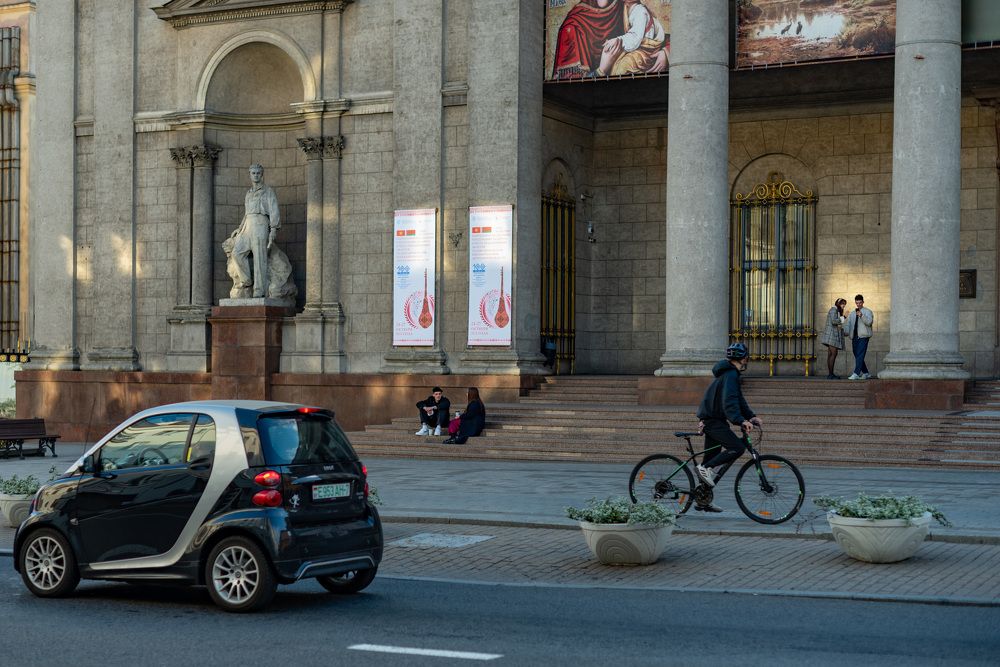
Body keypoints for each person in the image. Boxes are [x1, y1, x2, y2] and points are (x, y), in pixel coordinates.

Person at [693, 342, 763, 512]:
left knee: (711, 458)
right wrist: (740, 420)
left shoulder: (729, 374)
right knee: (737, 448)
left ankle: (703, 500)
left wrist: (750, 416)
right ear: (745, 358)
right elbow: (729, 402)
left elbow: (738, 399)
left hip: (713, 420)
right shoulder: (731, 374)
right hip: (713, 422)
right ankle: (705, 469)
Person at [225, 164, 281, 298]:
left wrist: (273, 229)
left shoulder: (268, 191)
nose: (255, 175)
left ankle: (259, 290)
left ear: (262, 175)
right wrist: (239, 229)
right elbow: (246, 213)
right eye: (253, 173)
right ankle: (247, 281)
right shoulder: (248, 193)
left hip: (261, 223)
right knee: (237, 252)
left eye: (258, 173)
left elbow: (274, 210)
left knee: (259, 257)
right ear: (250, 175)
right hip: (248, 225)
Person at [597, 0, 669, 76]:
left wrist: (618, 40)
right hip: (638, 47)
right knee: (617, 65)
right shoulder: (627, 7)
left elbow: (635, 37)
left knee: (623, 67)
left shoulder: (640, 10)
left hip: (646, 50)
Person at [844, 294, 874, 380]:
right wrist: (844, 332)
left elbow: (869, 322)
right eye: (857, 303)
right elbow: (849, 325)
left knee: (860, 355)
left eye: (860, 303)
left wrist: (861, 316)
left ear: (863, 302)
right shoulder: (853, 314)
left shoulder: (868, 311)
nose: (858, 305)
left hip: (863, 337)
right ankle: (866, 373)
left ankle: (856, 373)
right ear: (855, 303)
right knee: (857, 355)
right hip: (854, 337)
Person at [819, 298, 847, 379]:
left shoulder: (836, 311)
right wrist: (844, 317)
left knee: (831, 354)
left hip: (832, 335)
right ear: (838, 303)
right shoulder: (833, 310)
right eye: (842, 304)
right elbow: (834, 321)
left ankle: (830, 374)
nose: (843, 306)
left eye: (844, 304)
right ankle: (831, 374)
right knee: (833, 354)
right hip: (831, 336)